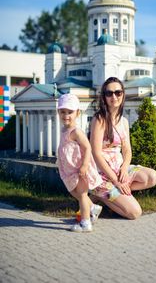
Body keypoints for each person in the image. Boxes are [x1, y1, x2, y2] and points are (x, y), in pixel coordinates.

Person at [90, 77, 156, 220]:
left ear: (122, 94)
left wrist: (124, 169)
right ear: (104, 97)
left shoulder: (124, 121)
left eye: (118, 92)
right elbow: (96, 154)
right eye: (109, 93)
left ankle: (113, 194)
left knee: (152, 177)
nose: (114, 96)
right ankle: (101, 195)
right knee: (134, 213)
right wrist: (116, 181)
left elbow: (127, 150)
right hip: (102, 174)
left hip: (120, 170)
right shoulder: (99, 119)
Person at [57, 93, 103, 232]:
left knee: (82, 195)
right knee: (74, 192)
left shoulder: (76, 132)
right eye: (63, 112)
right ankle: (93, 208)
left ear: (78, 113)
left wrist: (84, 165)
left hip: (80, 169)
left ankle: (85, 223)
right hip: (69, 170)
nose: (66, 115)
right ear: (58, 112)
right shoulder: (64, 129)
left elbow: (88, 147)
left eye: (70, 112)